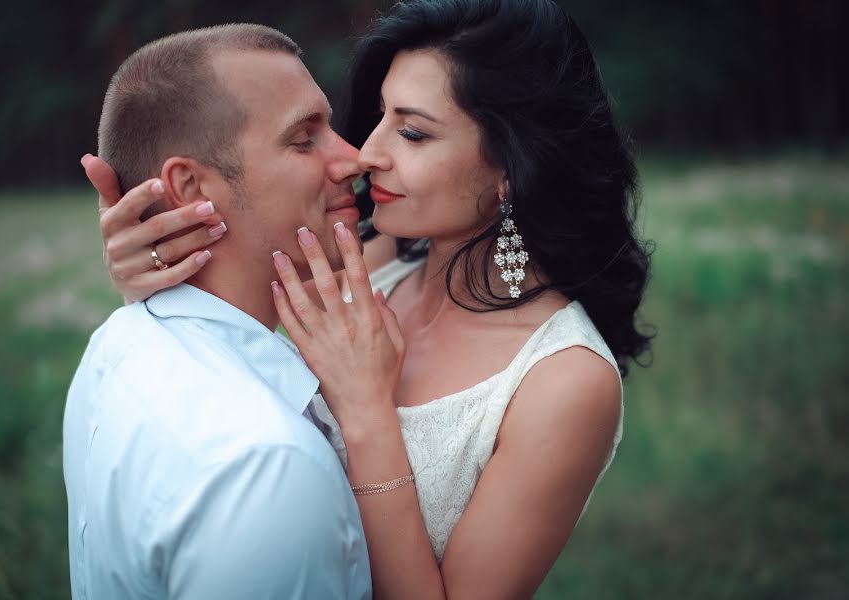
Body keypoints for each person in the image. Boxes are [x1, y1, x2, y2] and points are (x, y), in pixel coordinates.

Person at [87, 1, 653, 597]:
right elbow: (225, 288)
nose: (366, 153)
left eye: (412, 132)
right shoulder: (370, 260)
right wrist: (147, 261)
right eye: (381, 115)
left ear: (512, 167)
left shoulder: (563, 381)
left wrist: (367, 414)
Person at [64, 24, 374, 599]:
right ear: (188, 186)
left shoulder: (115, 345)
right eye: (304, 139)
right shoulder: (267, 469)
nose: (353, 158)